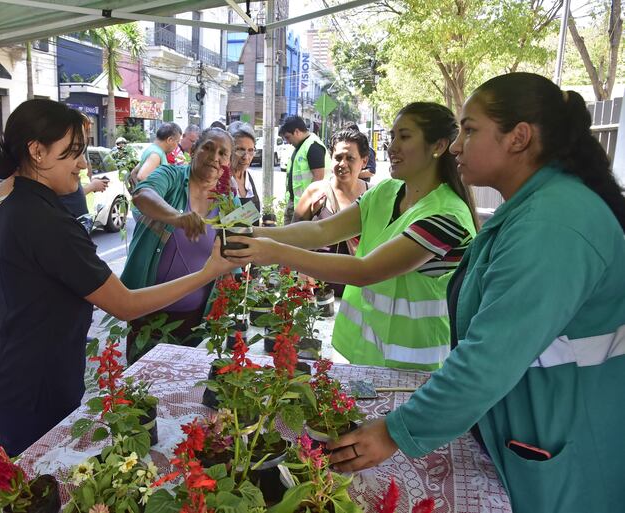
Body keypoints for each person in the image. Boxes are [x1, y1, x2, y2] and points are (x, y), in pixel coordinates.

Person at [326, 73, 625, 513]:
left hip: (567, 440)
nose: (458, 145)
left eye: (470, 130)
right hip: (535, 425)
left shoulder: (553, 222)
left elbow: (489, 356)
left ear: (519, 138)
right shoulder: (534, 208)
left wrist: (395, 431)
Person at [0, 100, 235, 456]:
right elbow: (125, 305)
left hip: (20, 371)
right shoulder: (47, 222)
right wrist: (209, 273)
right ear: (36, 151)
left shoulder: (10, 197)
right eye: (73, 153)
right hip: (35, 385)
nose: (83, 164)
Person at [226, 103, 479, 371]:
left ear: (438, 146)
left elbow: (365, 271)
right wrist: (251, 232)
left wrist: (272, 252)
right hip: (366, 351)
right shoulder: (386, 192)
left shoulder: (446, 216)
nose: (391, 147)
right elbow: (321, 230)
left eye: (404, 137)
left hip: (416, 363)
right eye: (392, 136)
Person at [120, 127, 236, 363]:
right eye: (208, 147)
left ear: (228, 163)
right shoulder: (171, 176)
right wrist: (177, 217)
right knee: (143, 389)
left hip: (197, 319)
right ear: (193, 150)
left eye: (223, 153)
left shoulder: (227, 201)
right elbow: (142, 194)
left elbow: (233, 250)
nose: (214, 157)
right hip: (148, 313)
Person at [293, 127, 372, 296]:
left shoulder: (374, 196)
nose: (343, 164)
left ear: (364, 161)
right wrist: (302, 271)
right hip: (320, 295)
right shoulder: (315, 193)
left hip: (361, 292)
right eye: (338, 157)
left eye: (350, 158)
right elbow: (294, 238)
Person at [279, 116, 330, 224]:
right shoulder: (302, 146)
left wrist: (309, 208)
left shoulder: (313, 146)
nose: (287, 142)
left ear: (297, 132)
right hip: (296, 204)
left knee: (295, 239)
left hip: (305, 207)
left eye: (288, 137)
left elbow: (318, 179)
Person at [227, 121, 260, 223]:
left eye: (250, 150)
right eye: (240, 150)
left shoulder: (248, 179)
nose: (246, 157)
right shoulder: (220, 180)